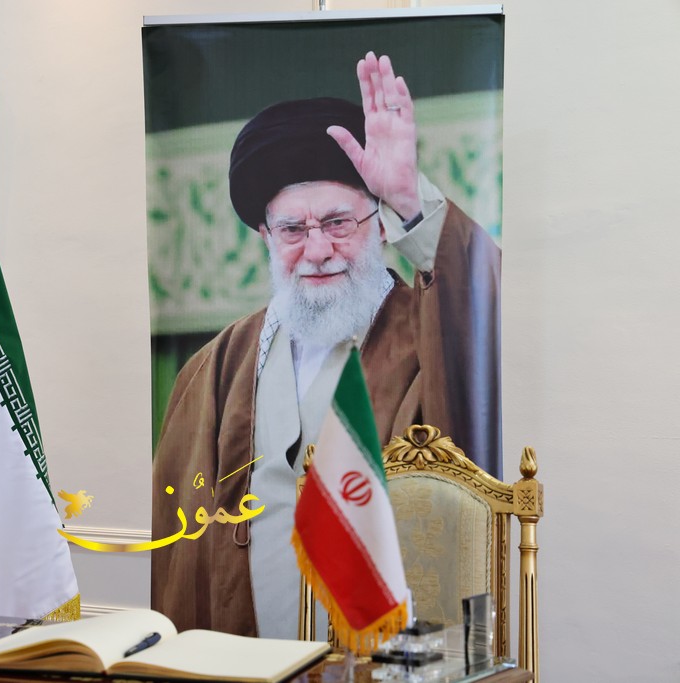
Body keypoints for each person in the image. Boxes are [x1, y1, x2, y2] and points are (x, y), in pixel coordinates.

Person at [151, 52, 500, 638]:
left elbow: (486, 322)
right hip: (242, 663)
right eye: (292, 230)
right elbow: (178, 557)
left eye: (339, 223)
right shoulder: (214, 368)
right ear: (264, 235)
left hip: (383, 661)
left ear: (381, 223)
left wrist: (410, 198)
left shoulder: (434, 336)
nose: (317, 251)